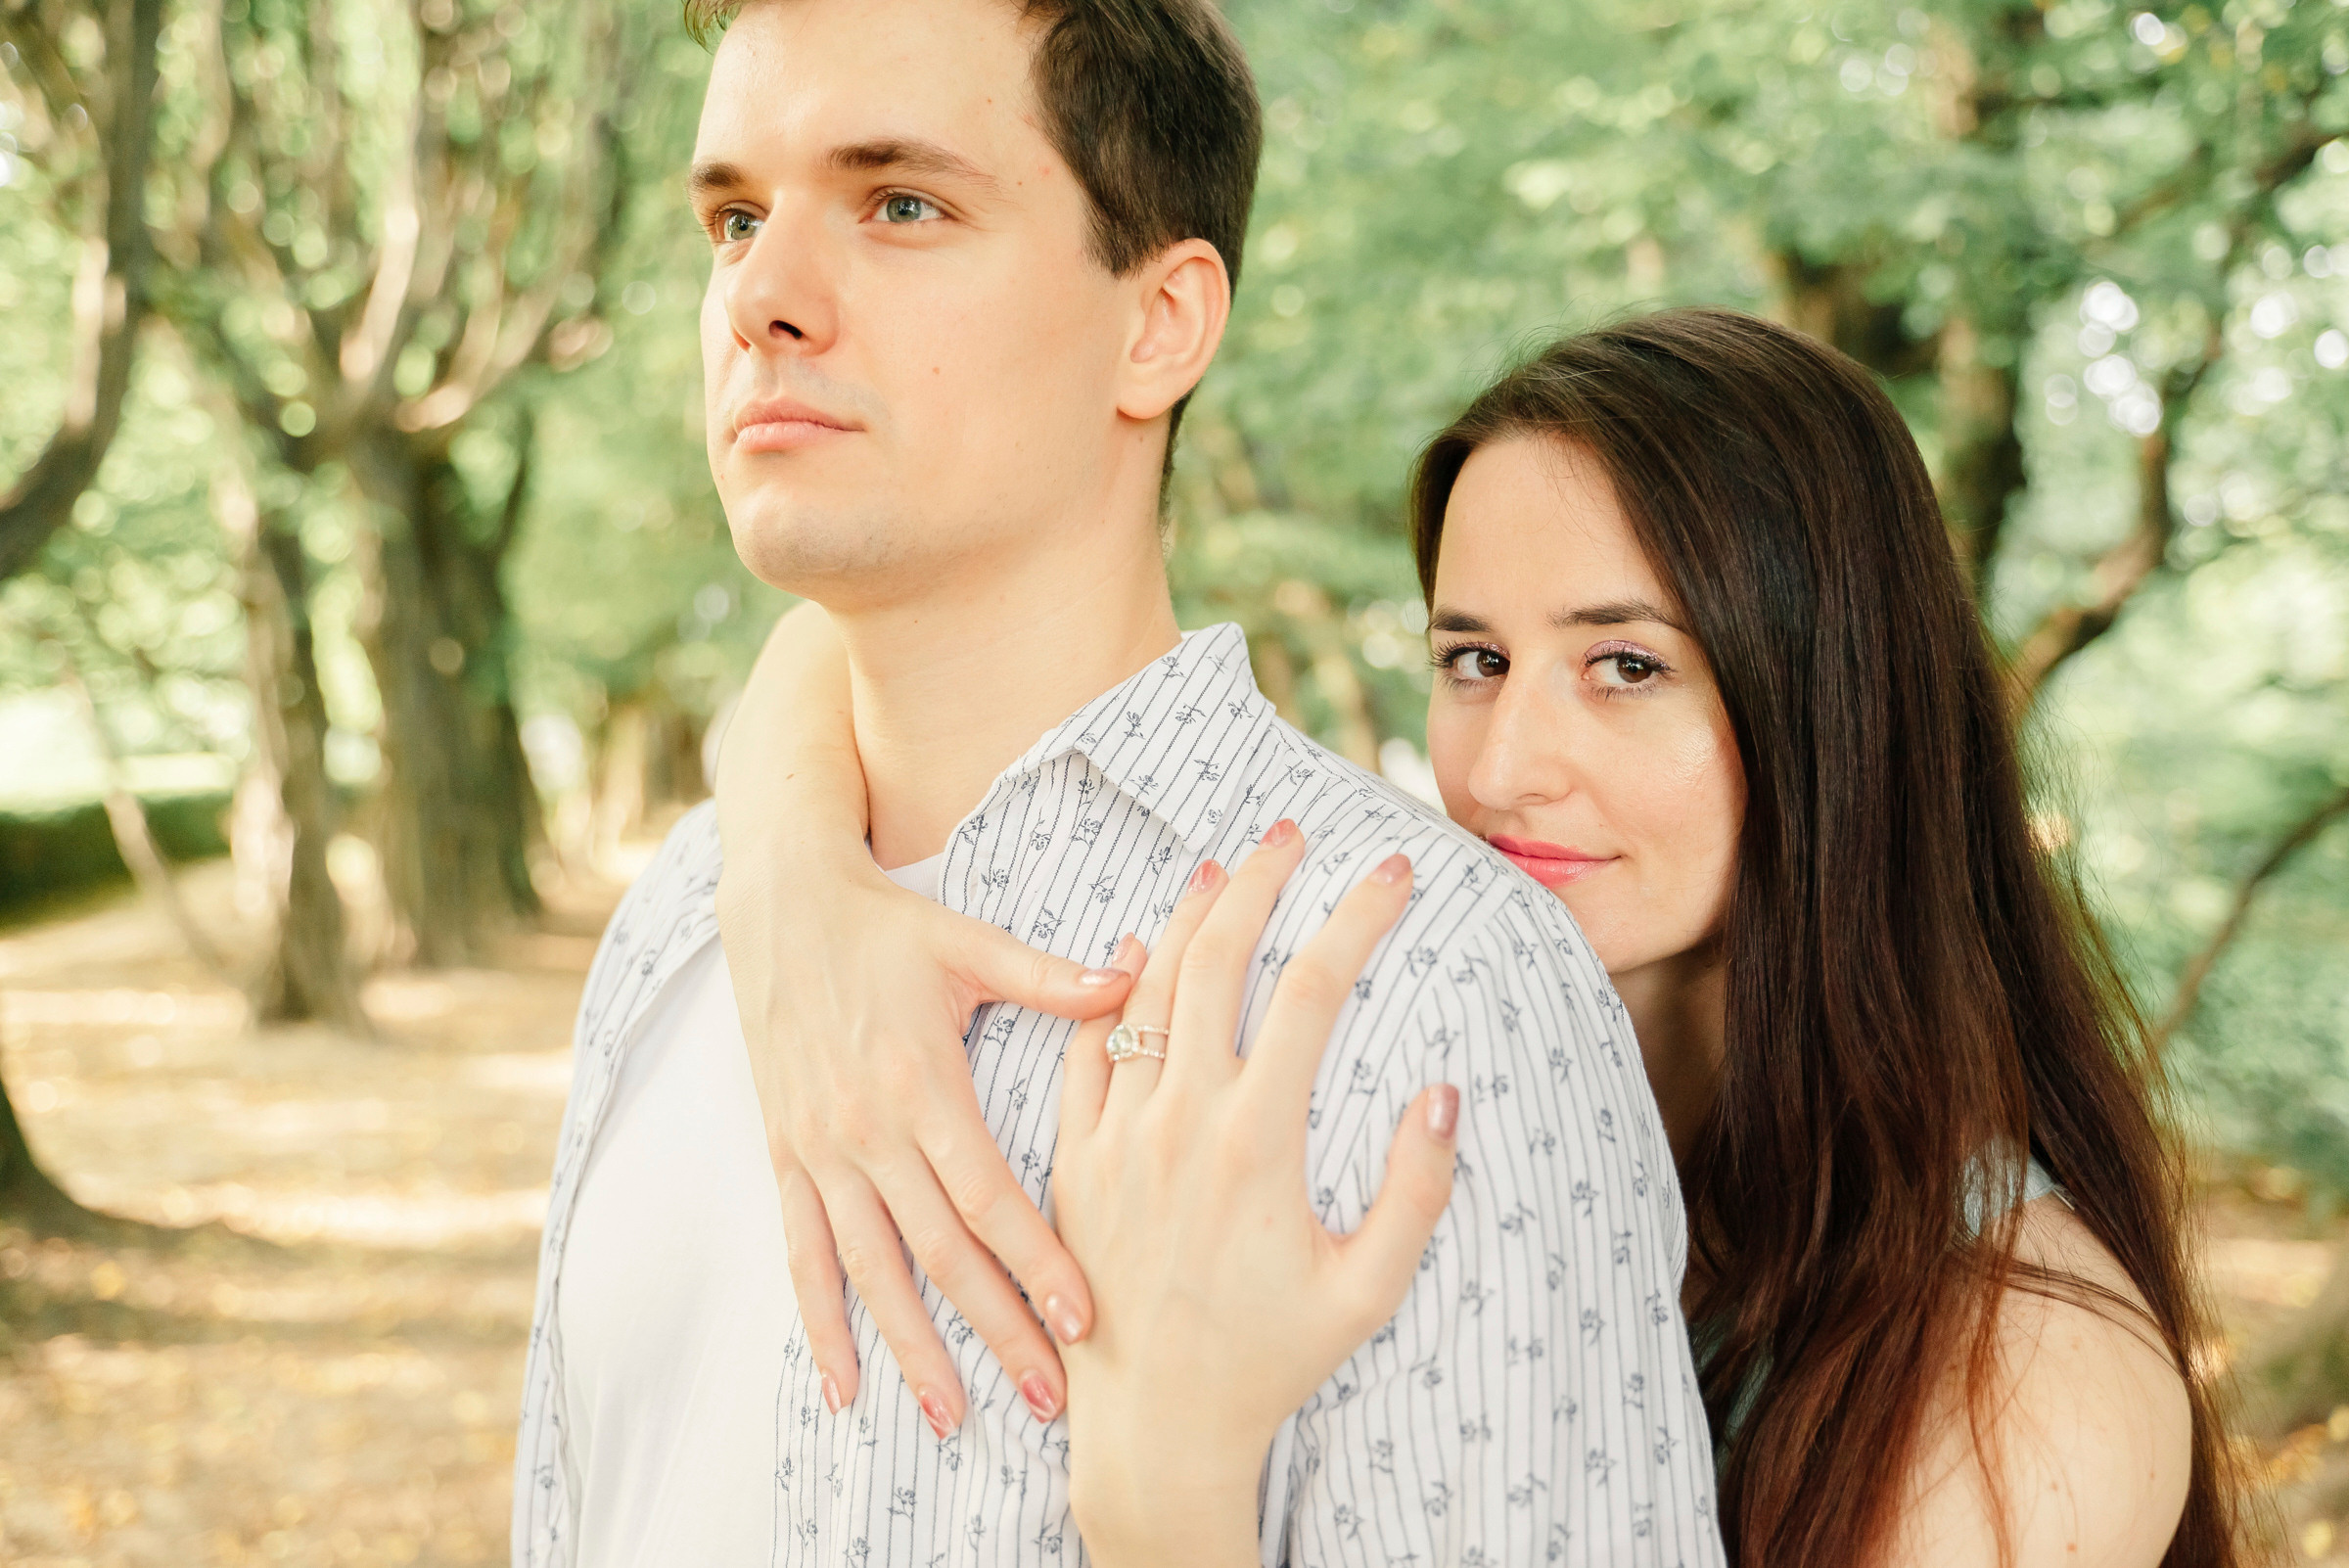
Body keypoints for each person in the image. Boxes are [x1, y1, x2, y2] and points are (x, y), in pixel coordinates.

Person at [712, 311, 2244, 1565]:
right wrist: (792, 892)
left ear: (1838, 703)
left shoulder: (2028, 1377)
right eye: (1477, 656)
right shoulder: (1444, 1051)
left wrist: (1166, 1503)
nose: (1506, 765)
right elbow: (817, 654)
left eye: (1627, 664)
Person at [512, 0, 1724, 1562]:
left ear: (1159, 324)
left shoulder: (1423, 994)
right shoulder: (683, 918)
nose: (761, 295)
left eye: (901, 205)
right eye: (736, 215)